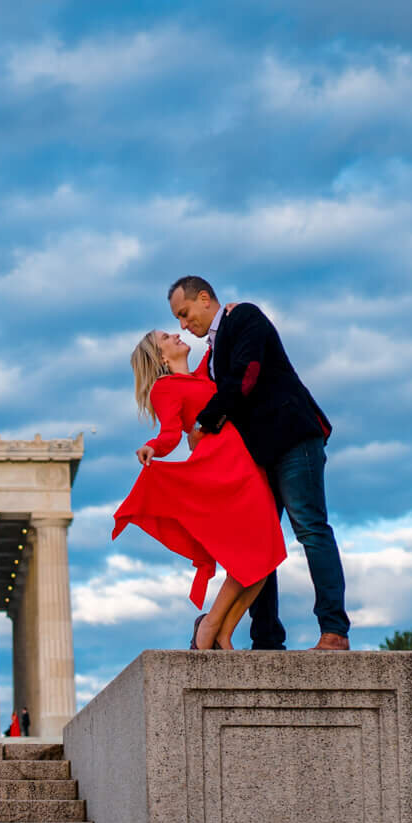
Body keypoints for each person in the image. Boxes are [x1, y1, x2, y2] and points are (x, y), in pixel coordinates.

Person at [168, 275, 350, 651]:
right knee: (258, 542)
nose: (183, 326)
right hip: (258, 457)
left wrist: (205, 423)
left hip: (292, 438)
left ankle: (334, 631)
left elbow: (246, 378)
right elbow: (194, 388)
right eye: (178, 321)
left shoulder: (244, 316)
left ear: (205, 298)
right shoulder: (211, 355)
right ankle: (266, 638)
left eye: (185, 314)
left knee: (310, 529)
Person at [114, 328, 286, 650]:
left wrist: (230, 318)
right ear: (161, 358)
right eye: (165, 338)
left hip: (247, 463)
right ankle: (209, 629)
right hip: (221, 467)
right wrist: (152, 447)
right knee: (255, 553)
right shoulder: (165, 388)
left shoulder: (204, 371)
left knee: (269, 554)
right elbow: (169, 434)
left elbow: (221, 340)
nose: (175, 335)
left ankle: (220, 631)